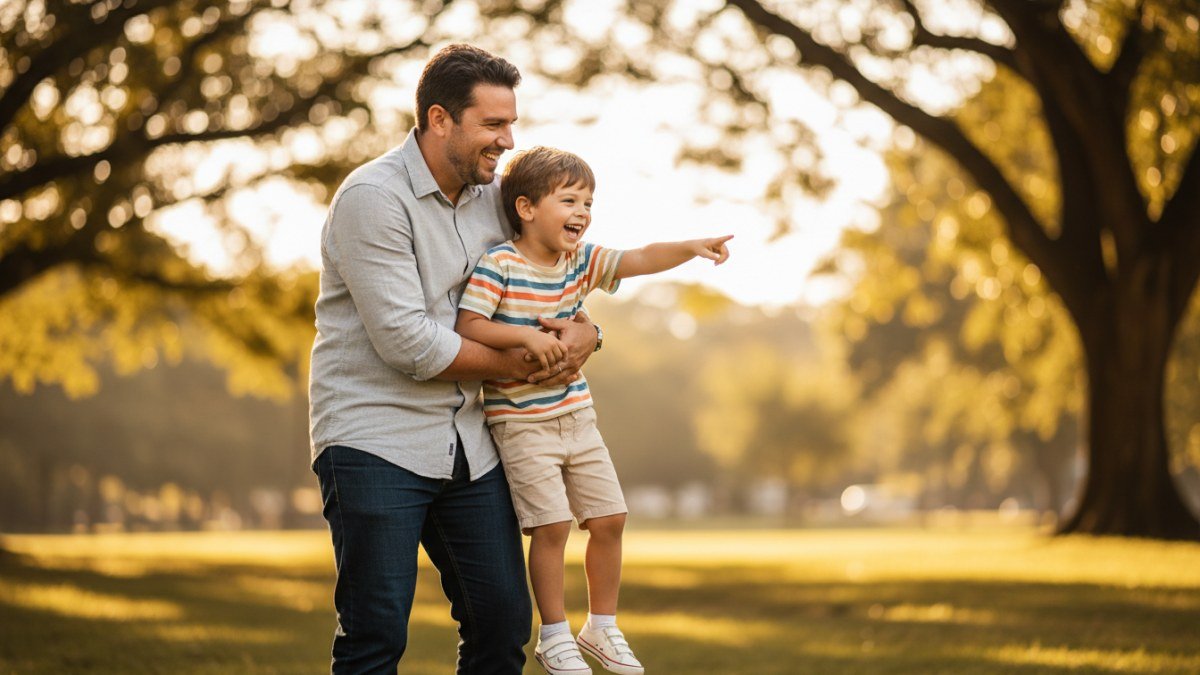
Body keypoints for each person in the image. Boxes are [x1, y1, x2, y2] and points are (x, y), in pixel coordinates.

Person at [308, 45, 602, 674]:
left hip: (472, 438)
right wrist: (527, 365)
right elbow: (410, 342)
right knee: (376, 633)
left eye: (510, 123)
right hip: (374, 438)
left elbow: (556, 271)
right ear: (440, 120)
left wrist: (586, 331)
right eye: (493, 125)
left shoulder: (497, 198)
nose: (508, 140)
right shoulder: (372, 199)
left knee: (501, 625)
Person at [456, 146, 732, 675]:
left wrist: (691, 247)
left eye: (589, 202)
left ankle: (601, 627)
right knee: (552, 525)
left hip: (577, 415)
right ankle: (555, 634)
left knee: (610, 518)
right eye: (569, 200)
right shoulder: (501, 264)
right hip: (521, 423)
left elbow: (641, 257)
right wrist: (524, 338)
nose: (582, 212)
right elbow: (469, 327)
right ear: (527, 207)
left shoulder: (579, 262)